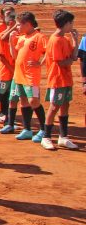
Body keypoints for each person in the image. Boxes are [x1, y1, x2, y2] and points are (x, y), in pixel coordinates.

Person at [40, 10, 79, 150]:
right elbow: (61, 62)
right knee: (54, 106)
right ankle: (46, 137)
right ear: (65, 24)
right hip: (57, 80)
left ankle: (63, 137)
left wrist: (75, 40)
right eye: (71, 23)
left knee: (65, 105)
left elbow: (73, 57)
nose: (72, 25)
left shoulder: (65, 39)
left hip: (66, 79)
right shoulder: (55, 40)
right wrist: (71, 60)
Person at [8, 12, 48, 142]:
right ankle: (27, 129)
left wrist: (40, 63)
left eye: (19, 24)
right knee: (24, 101)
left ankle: (43, 129)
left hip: (31, 75)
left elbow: (49, 51)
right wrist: (10, 41)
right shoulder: (22, 38)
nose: (17, 27)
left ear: (28, 24)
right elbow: (14, 56)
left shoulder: (39, 37)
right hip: (19, 74)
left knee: (33, 101)